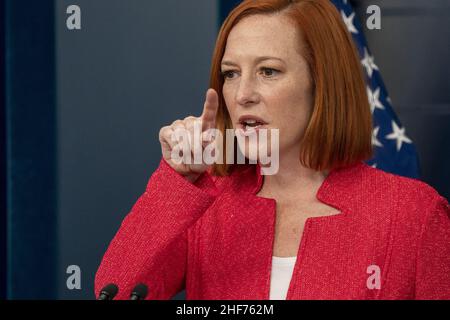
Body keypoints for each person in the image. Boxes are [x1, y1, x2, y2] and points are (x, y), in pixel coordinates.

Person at [95, 0, 450, 300]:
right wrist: (178, 181)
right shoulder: (205, 200)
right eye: (230, 73)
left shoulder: (414, 213)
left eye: (268, 71)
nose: (243, 93)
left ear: (321, 83)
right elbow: (116, 291)